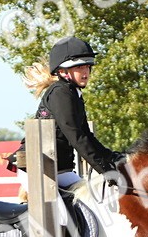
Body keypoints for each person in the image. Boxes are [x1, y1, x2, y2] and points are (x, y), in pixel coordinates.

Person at [17, 36, 123, 187]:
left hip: (60, 169)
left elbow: (87, 136)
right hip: (38, 168)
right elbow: (77, 137)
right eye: (80, 67)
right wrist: (105, 169)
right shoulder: (60, 92)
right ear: (62, 71)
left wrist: (112, 157)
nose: (86, 72)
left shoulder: (74, 93)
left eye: (87, 66)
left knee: (90, 202)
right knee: (62, 209)